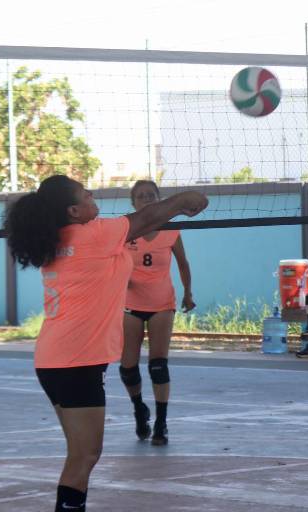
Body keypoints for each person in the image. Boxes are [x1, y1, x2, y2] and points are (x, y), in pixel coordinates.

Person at [3, 175, 207, 512]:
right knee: (84, 456)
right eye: (84, 194)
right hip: (76, 362)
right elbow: (146, 218)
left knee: (80, 454)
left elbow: (147, 222)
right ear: (72, 211)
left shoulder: (59, 238)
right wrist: (183, 198)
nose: (91, 193)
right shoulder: (93, 234)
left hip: (55, 359)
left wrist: (175, 208)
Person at [120, 180, 195, 446]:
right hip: (130, 303)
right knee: (128, 368)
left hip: (161, 303)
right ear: (133, 203)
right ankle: (139, 409)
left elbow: (183, 263)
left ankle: (161, 423)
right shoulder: (125, 229)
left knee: (158, 365)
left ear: (159, 199)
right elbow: (110, 262)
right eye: (141, 196)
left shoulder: (170, 229)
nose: (147, 199)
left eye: (151, 195)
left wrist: (188, 293)